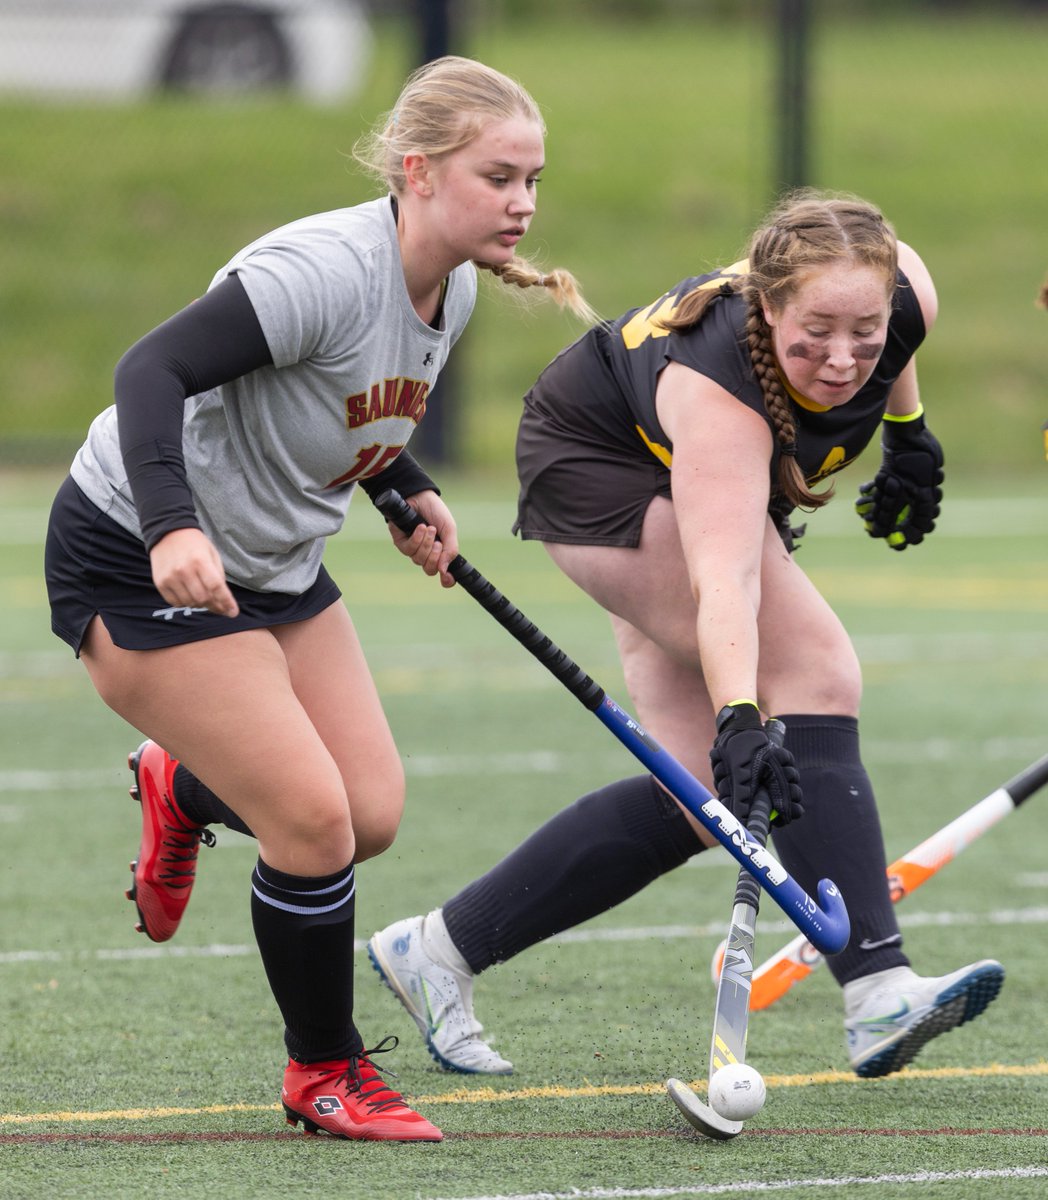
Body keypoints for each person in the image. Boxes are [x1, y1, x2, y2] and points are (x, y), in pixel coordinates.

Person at [43, 55, 593, 1143]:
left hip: (276, 562)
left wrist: (403, 487)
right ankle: (323, 1073)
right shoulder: (321, 270)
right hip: (134, 551)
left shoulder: (456, 283)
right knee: (309, 821)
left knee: (366, 816)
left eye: (534, 178)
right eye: (500, 177)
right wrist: (172, 527)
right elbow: (148, 373)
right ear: (419, 171)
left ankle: (185, 790)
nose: (523, 202)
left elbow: (345, 412)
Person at [367, 191, 1005, 1082]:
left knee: (695, 799)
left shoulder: (902, 295)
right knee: (815, 674)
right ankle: (877, 990)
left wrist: (908, 433)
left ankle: (437, 950)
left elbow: (892, 343)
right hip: (600, 469)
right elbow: (726, 579)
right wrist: (742, 715)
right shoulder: (721, 394)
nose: (844, 356)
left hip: (672, 461)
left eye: (865, 330)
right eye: (816, 330)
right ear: (769, 303)